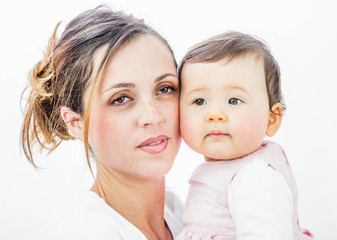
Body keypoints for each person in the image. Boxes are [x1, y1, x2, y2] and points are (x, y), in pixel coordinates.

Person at [20, 6, 183, 240]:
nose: (154, 116)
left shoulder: (184, 214)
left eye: (165, 89)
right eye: (121, 99)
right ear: (76, 122)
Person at [176, 31, 313, 240]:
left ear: (272, 119)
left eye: (234, 101)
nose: (215, 115)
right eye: (199, 101)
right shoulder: (230, 172)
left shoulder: (255, 175)